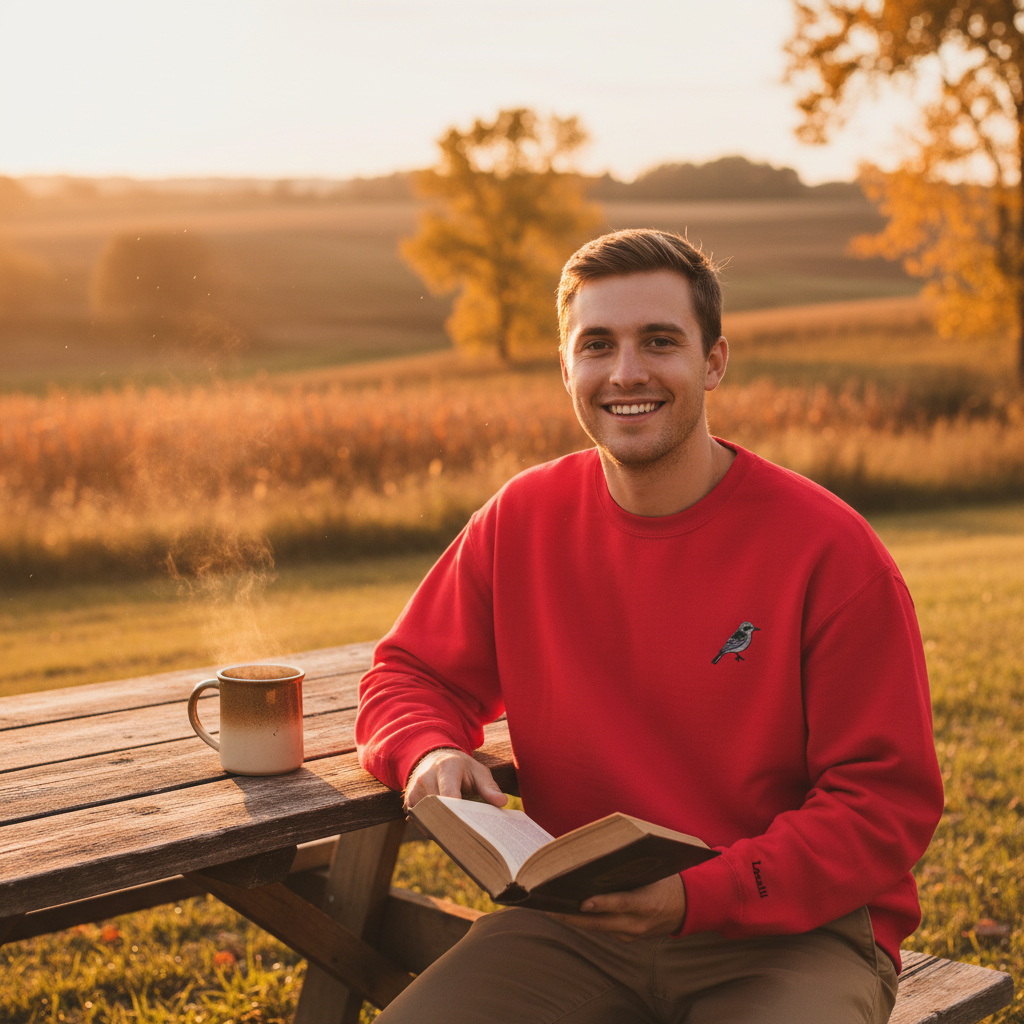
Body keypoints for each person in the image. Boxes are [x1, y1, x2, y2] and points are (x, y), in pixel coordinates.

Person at [356, 228, 944, 1023]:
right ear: (567, 368)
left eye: (659, 342)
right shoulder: (521, 520)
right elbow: (407, 674)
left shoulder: (829, 552)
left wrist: (697, 895)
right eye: (597, 345)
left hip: (794, 937)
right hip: (576, 927)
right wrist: (424, 749)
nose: (626, 372)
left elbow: (883, 805)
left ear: (714, 361)